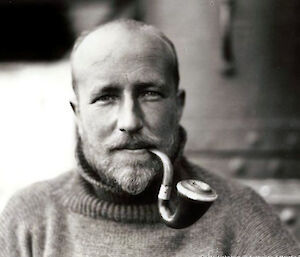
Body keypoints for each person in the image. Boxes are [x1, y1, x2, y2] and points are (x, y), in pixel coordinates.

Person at [0, 19, 299, 257]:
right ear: (77, 115)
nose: (130, 121)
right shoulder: (30, 218)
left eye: (150, 93)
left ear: (178, 106)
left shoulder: (242, 215)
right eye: (106, 97)